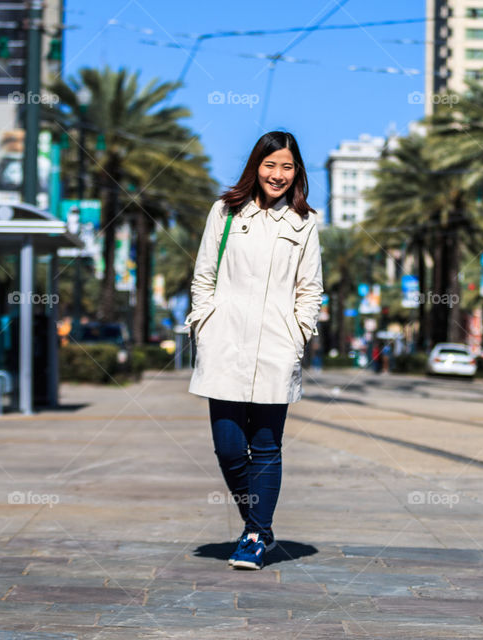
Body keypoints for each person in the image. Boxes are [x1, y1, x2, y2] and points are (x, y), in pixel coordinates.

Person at [185, 131, 323, 570]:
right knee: (228, 447)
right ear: (256, 166)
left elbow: (310, 289)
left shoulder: (305, 223)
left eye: (286, 166)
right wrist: (204, 323)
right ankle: (259, 526)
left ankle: (253, 535)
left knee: (266, 445)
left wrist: (298, 334)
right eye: (270, 165)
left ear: (296, 171)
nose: (277, 174)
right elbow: (203, 275)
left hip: (276, 349)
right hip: (224, 344)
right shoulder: (225, 212)